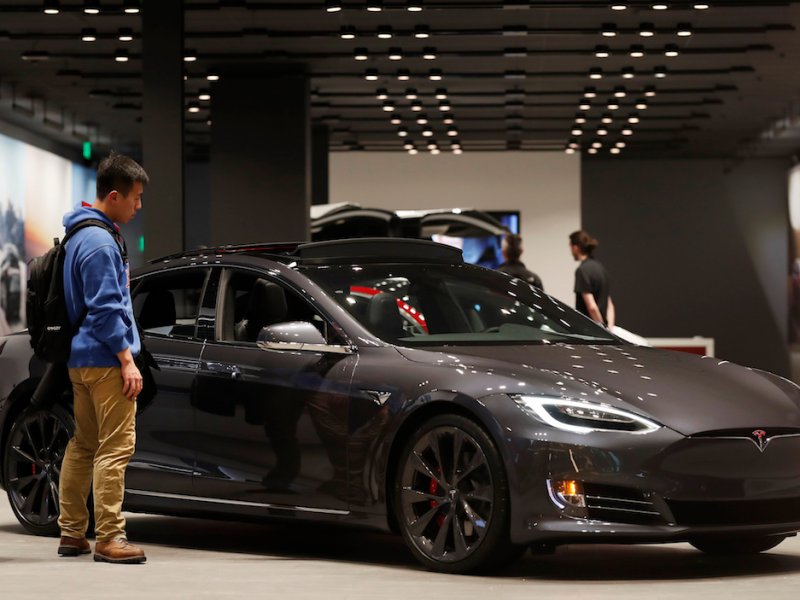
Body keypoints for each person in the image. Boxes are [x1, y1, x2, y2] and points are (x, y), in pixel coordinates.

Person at [57, 152, 148, 564]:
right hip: (106, 360)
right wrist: (126, 359)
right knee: (114, 448)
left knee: (83, 445)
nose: (138, 205)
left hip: (82, 358)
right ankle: (110, 537)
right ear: (114, 195)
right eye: (135, 197)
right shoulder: (98, 242)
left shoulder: (80, 234)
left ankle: (72, 533)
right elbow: (106, 308)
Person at [569, 230, 615, 328]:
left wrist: (602, 330)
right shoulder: (601, 268)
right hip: (604, 330)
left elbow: (592, 307)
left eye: (570, 247)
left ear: (575, 248)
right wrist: (610, 329)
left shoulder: (582, 271)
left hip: (589, 330)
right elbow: (610, 305)